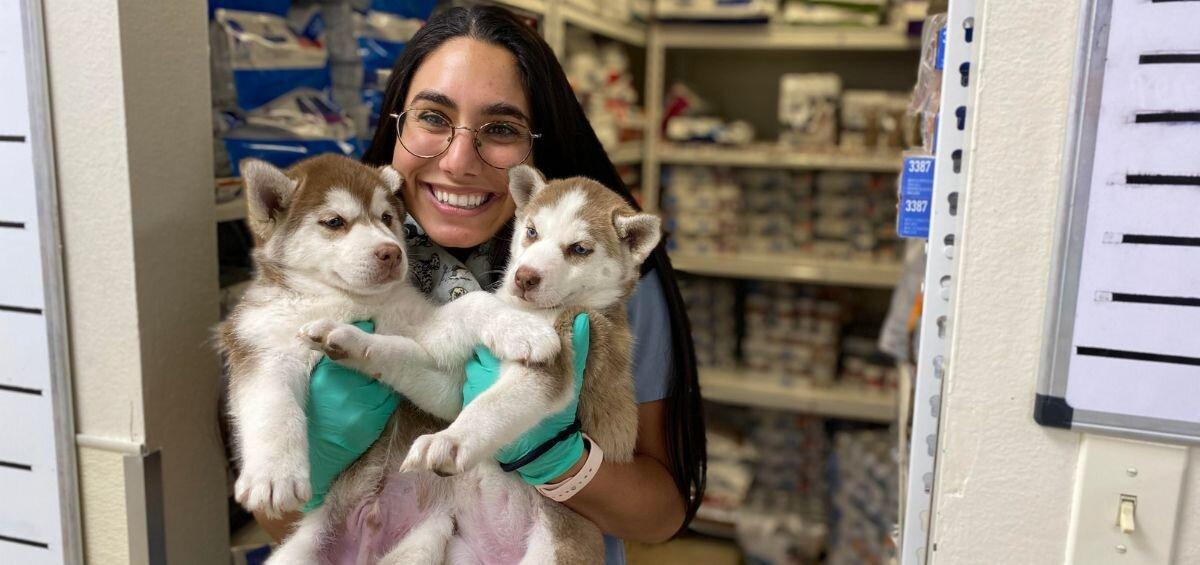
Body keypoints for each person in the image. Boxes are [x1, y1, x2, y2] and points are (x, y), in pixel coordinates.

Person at [257, 5, 706, 562]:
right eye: (432, 117)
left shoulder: (601, 284)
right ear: (394, 122)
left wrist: (557, 460)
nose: (459, 159)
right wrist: (315, 460)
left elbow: (661, 515)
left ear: (537, 149)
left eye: (500, 129)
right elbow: (274, 517)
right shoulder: (328, 258)